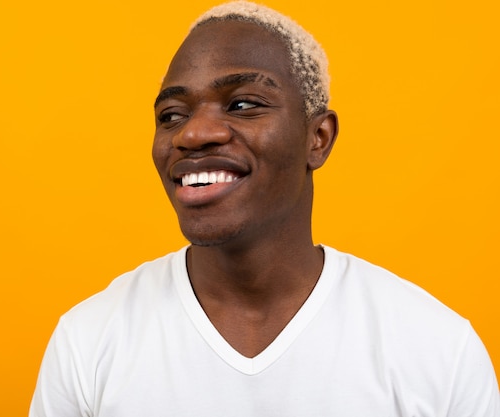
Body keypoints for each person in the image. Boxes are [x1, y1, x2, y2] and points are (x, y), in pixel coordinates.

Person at [29, 2, 499, 416]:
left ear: (318, 138)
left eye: (242, 104)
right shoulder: (88, 341)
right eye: (171, 115)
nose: (192, 134)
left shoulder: (436, 349)